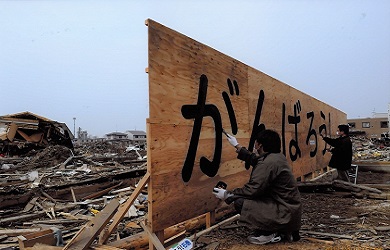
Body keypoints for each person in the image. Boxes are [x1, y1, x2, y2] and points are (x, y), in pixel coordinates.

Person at [213, 129, 301, 245]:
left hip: (284, 212)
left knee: (240, 202)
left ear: (260, 144)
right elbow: (255, 160)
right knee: (246, 199)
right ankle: (277, 229)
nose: (255, 144)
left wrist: (227, 195)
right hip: (288, 210)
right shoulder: (276, 157)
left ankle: (271, 232)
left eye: (256, 142)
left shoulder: (268, 163)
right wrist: (237, 145)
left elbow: (252, 190)